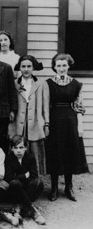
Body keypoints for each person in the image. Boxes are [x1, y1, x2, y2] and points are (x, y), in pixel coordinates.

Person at [45, 53, 89, 202]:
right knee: (54, 152)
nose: (61, 68)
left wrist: (80, 126)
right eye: (58, 65)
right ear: (54, 67)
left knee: (70, 152)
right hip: (54, 120)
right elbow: (46, 105)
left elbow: (79, 106)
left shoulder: (76, 84)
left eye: (64, 65)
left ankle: (69, 187)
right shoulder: (48, 83)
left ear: (69, 66)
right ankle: (54, 188)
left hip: (70, 121)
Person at [8, 55, 49, 175]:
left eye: (29, 66)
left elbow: (45, 106)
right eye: (23, 66)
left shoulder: (41, 84)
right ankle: (16, 179)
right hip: (17, 122)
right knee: (17, 149)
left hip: (35, 122)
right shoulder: (14, 84)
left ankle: (36, 179)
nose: (26, 69)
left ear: (33, 68)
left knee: (35, 152)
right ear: (19, 68)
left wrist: (46, 123)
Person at [5, 135, 46, 225]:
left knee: (38, 183)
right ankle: (32, 210)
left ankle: (19, 207)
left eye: (21, 147)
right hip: (14, 189)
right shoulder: (9, 158)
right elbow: (8, 177)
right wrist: (24, 176)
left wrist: (18, 176)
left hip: (26, 188)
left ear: (26, 148)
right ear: (12, 149)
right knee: (15, 183)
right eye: (16, 148)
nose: (18, 150)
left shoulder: (30, 158)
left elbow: (34, 176)